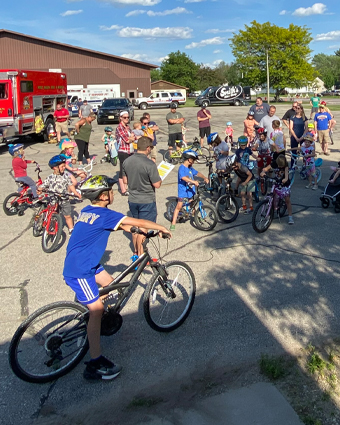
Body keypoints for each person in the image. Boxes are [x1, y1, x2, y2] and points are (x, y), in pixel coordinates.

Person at [63, 175, 171, 380]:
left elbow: (124, 226)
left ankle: (98, 312)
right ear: (104, 196)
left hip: (87, 263)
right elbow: (135, 221)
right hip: (81, 270)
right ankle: (95, 363)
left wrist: (143, 232)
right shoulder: (105, 215)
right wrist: (161, 228)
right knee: (97, 310)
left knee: (111, 285)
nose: (114, 194)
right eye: (111, 191)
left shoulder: (88, 211)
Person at [122, 136, 162, 256]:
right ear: (148, 148)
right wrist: (159, 179)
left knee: (135, 227)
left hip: (133, 199)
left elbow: (125, 181)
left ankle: (136, 252)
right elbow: (157, 184)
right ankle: (140, 255)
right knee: (143, 230)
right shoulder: (149, 164)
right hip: (146, 200)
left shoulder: (127, 161)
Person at [38, 155, 81, 235]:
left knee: (67, 215)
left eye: (64, 166)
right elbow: (44, 185)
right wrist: (40, 189)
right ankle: (51, 226)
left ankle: (71, 229)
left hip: (64, 198)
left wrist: (76, 193)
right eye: (62, 166)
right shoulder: (50, 177)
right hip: (53, 198)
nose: (64, 168)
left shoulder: (66, 176)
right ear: (55, 167)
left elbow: (71, 185)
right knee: (53, 213)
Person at [170, 150, 209, 231]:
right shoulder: (182, 168)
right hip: (183, 190)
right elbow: (183, 177)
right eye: (193, 160)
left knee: (192, 204)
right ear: (189, 159)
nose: (194, 162)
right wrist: (193, 181)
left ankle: (196, 217)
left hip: (190, 190)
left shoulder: (190, 168)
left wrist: (204, 177)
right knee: (179, 206)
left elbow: (197, 173)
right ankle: (173, 222)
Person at [260, 154, 294, 225]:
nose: (279, 167)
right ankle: (270, 209)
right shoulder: (274, 163)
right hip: (276, 182)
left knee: (287, 200)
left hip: (284, 184)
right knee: (272, 195)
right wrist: (263, 171)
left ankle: (290, 216)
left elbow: (286, 177)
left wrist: (284, 179)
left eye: (281, 166)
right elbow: (266, 168)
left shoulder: (286, 167)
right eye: (278, 165)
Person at [116, 111, 135, 196]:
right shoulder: (119, 127)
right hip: (123, 151)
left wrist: (131, 138)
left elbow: (134, 137)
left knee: (129, 170)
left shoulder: (128, 127)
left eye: (128, 117)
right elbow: (127, 140)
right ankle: (123, 190)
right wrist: (131, 138)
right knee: (122, 171)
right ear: (120, 118)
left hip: (130, 151)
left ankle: (127, 187)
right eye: (125, 117)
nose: (127, 119)